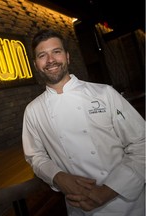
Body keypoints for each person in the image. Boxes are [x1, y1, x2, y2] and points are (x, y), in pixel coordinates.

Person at [22, 29, 145, 216]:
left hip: (127, 202)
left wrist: (108, 190)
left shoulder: (104, 94)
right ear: (36, 65)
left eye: (56, 51)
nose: (50, 60)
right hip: (79, 206)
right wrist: (57, 177)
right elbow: (35, 156)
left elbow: (141, 143)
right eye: (42, 55)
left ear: (67, 57)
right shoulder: (33, 110)